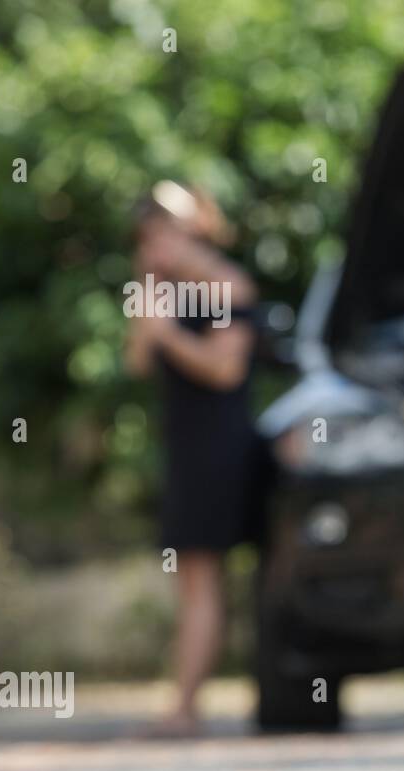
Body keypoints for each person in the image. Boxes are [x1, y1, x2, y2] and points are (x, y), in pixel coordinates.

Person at [124, 182, 261, 737]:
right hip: (184, 448)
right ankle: (185, 704)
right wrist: (147, 291)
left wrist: (168, 335)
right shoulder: (165, 289)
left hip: (219, 448)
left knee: (203, 573)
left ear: (191, 229)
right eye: (147, 236)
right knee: (192, 575)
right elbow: (136, 361)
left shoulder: (228, 285)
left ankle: (185, 708)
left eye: (163, 232)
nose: (154, 244)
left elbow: (225, 370)